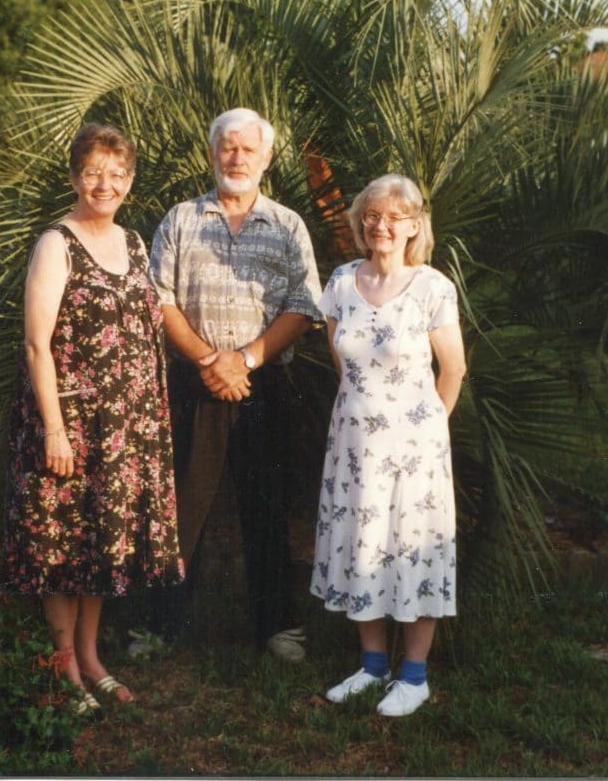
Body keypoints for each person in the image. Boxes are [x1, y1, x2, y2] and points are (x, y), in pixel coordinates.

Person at [1, 122, 183, 714]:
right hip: (70, 424)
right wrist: (54, 428)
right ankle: (65, 670)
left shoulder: (133, 242)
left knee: (100, 541)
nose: (105, 184)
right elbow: (35, 344)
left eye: (117, 174)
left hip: (122, 427)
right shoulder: (56, 242)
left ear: (130, 181)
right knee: (60, 543)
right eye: (93, 172)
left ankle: (91, 655)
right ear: (75, 176)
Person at [149, 107, 321, 660]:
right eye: (228, 147)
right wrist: (208, 360)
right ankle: (159, 625)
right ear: (211, 153)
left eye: (249, 148)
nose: (238, 157)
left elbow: (304, 305)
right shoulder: (180, 219)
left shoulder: (289, 225)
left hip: (264, 385)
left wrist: (244, 359)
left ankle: (277, 628)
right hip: (195, 382)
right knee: (180, 506)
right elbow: (161, 299)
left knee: (266, 505)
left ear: (267, 158)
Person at [310, 174, 466, 716]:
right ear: (359, 223)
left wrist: (426, 431)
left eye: (394, 217)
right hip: (354, 446)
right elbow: (343, 361)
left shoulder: (432, 287)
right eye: (372, 215)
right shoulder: (340, 283)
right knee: (364, 543)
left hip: (417, 450)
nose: (381, 225)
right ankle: (373, 667)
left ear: (413, 226)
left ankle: (415, 677)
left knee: (411, 545)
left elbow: (454, 369)